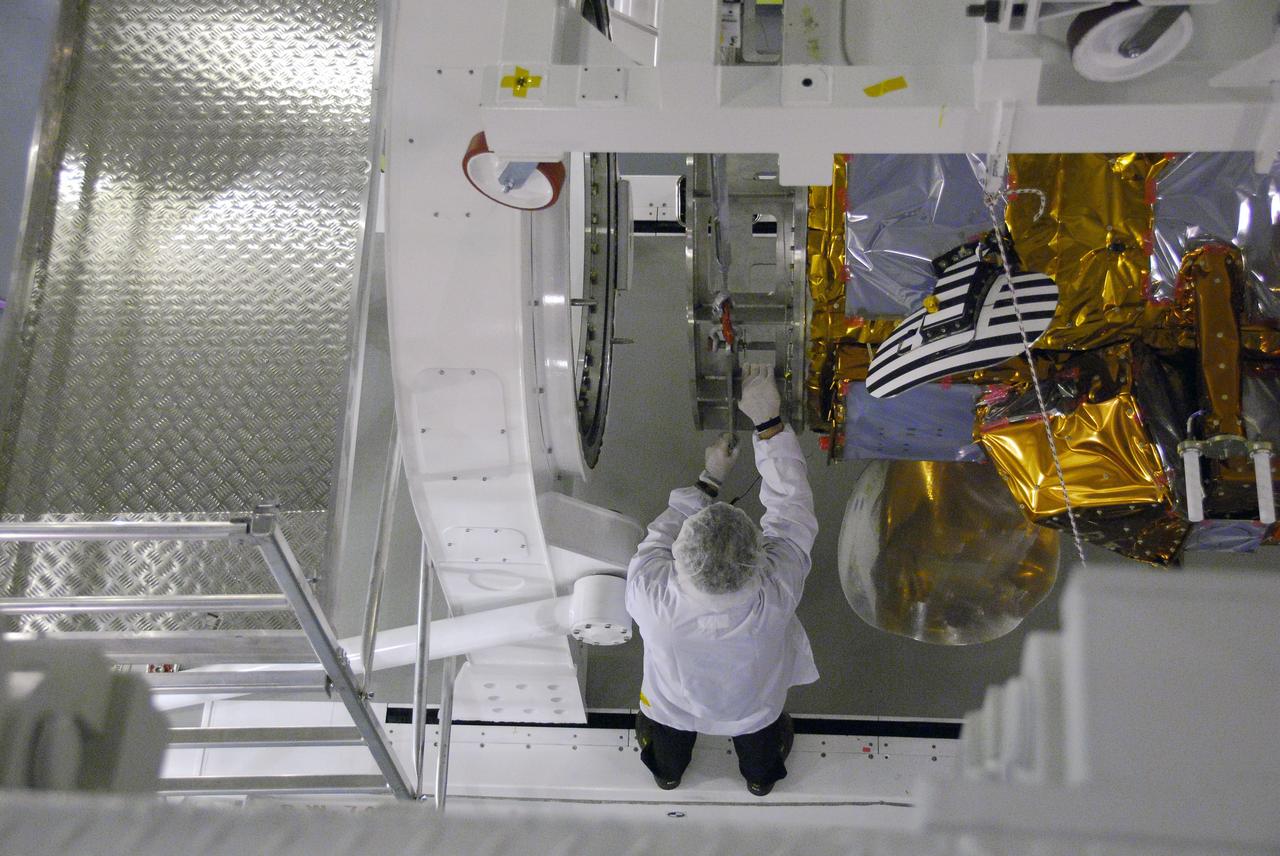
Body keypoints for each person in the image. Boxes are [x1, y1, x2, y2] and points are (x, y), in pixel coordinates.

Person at [624, 364, 818, 796]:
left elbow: (662, 533)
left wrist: (710, 477)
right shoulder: (776, 591)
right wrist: (768, 423)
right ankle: (759, 780)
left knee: (666, 748)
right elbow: (791, 514)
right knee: (761, 749)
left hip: (671, 706)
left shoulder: (648, 593)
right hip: (753, 709)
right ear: (755, 553)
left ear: (683, 551)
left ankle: (667, 774)